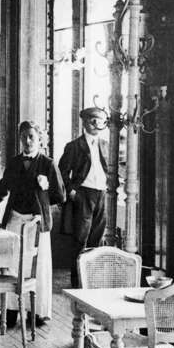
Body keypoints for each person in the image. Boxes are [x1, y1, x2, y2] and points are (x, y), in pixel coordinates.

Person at [0, 120, 64, 327]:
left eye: (31, 137)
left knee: (36, 268)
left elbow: (60, 196)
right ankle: (9, 312)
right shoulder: (15, 163)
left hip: (37, 223)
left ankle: (36, 312)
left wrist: (44, 190)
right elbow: (1, 190)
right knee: (11, 265)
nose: (27, 141)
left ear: (39, 139)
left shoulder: (48, 164)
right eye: (23, 137)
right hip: (15, 220)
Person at [58, 106, 110, 286]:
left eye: (100, 121)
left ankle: (92, 281)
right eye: (92, 120)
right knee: (80, 240)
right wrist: (72, 193)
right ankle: (78, 283)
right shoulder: (74, 146)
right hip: (83, 195)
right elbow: (61, 173)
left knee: (97, 238)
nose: (96, 124)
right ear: (85, 122)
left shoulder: (106, 145)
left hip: (102, 194)